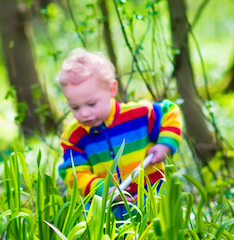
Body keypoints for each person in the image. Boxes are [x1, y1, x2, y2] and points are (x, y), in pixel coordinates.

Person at [57, 48, 182, 207]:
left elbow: (170, 112)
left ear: (112, 90)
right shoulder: (74, 137)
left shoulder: (138, 115)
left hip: (153, 202)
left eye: (91, 104)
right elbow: (74, 174)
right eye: (75, 108)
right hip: (109, 211)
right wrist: (103, 189)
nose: (84, 114)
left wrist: (166, 145)